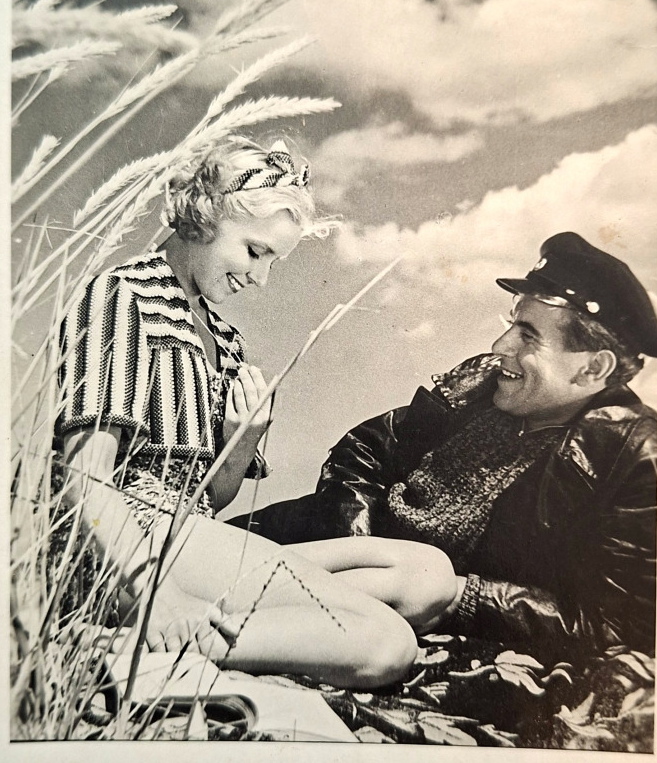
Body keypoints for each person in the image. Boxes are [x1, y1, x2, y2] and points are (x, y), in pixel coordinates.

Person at [52, 138, 458, 688]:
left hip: (190, 535)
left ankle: (224, 628)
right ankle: (121, 646)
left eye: (273, 262)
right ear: (203, 217)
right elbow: (84, 478)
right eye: (254, 251)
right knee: (386, 641)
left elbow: (210, 499)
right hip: (126, 552)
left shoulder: (225, 339)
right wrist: (162, 600)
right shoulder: (124, 296)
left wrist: (244, 436)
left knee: (428, 576)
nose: (261, 279)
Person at [235, 232, 657, 668]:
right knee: (202, 560)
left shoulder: (637, 460)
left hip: (389, 618)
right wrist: (359, 549)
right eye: (511, 323)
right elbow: (367, 447)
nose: (500, 346)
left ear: (593, 368)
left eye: (528, 336)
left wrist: (460, 596)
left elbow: (614, 625)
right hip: (311, 546)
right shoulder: (482, 385)